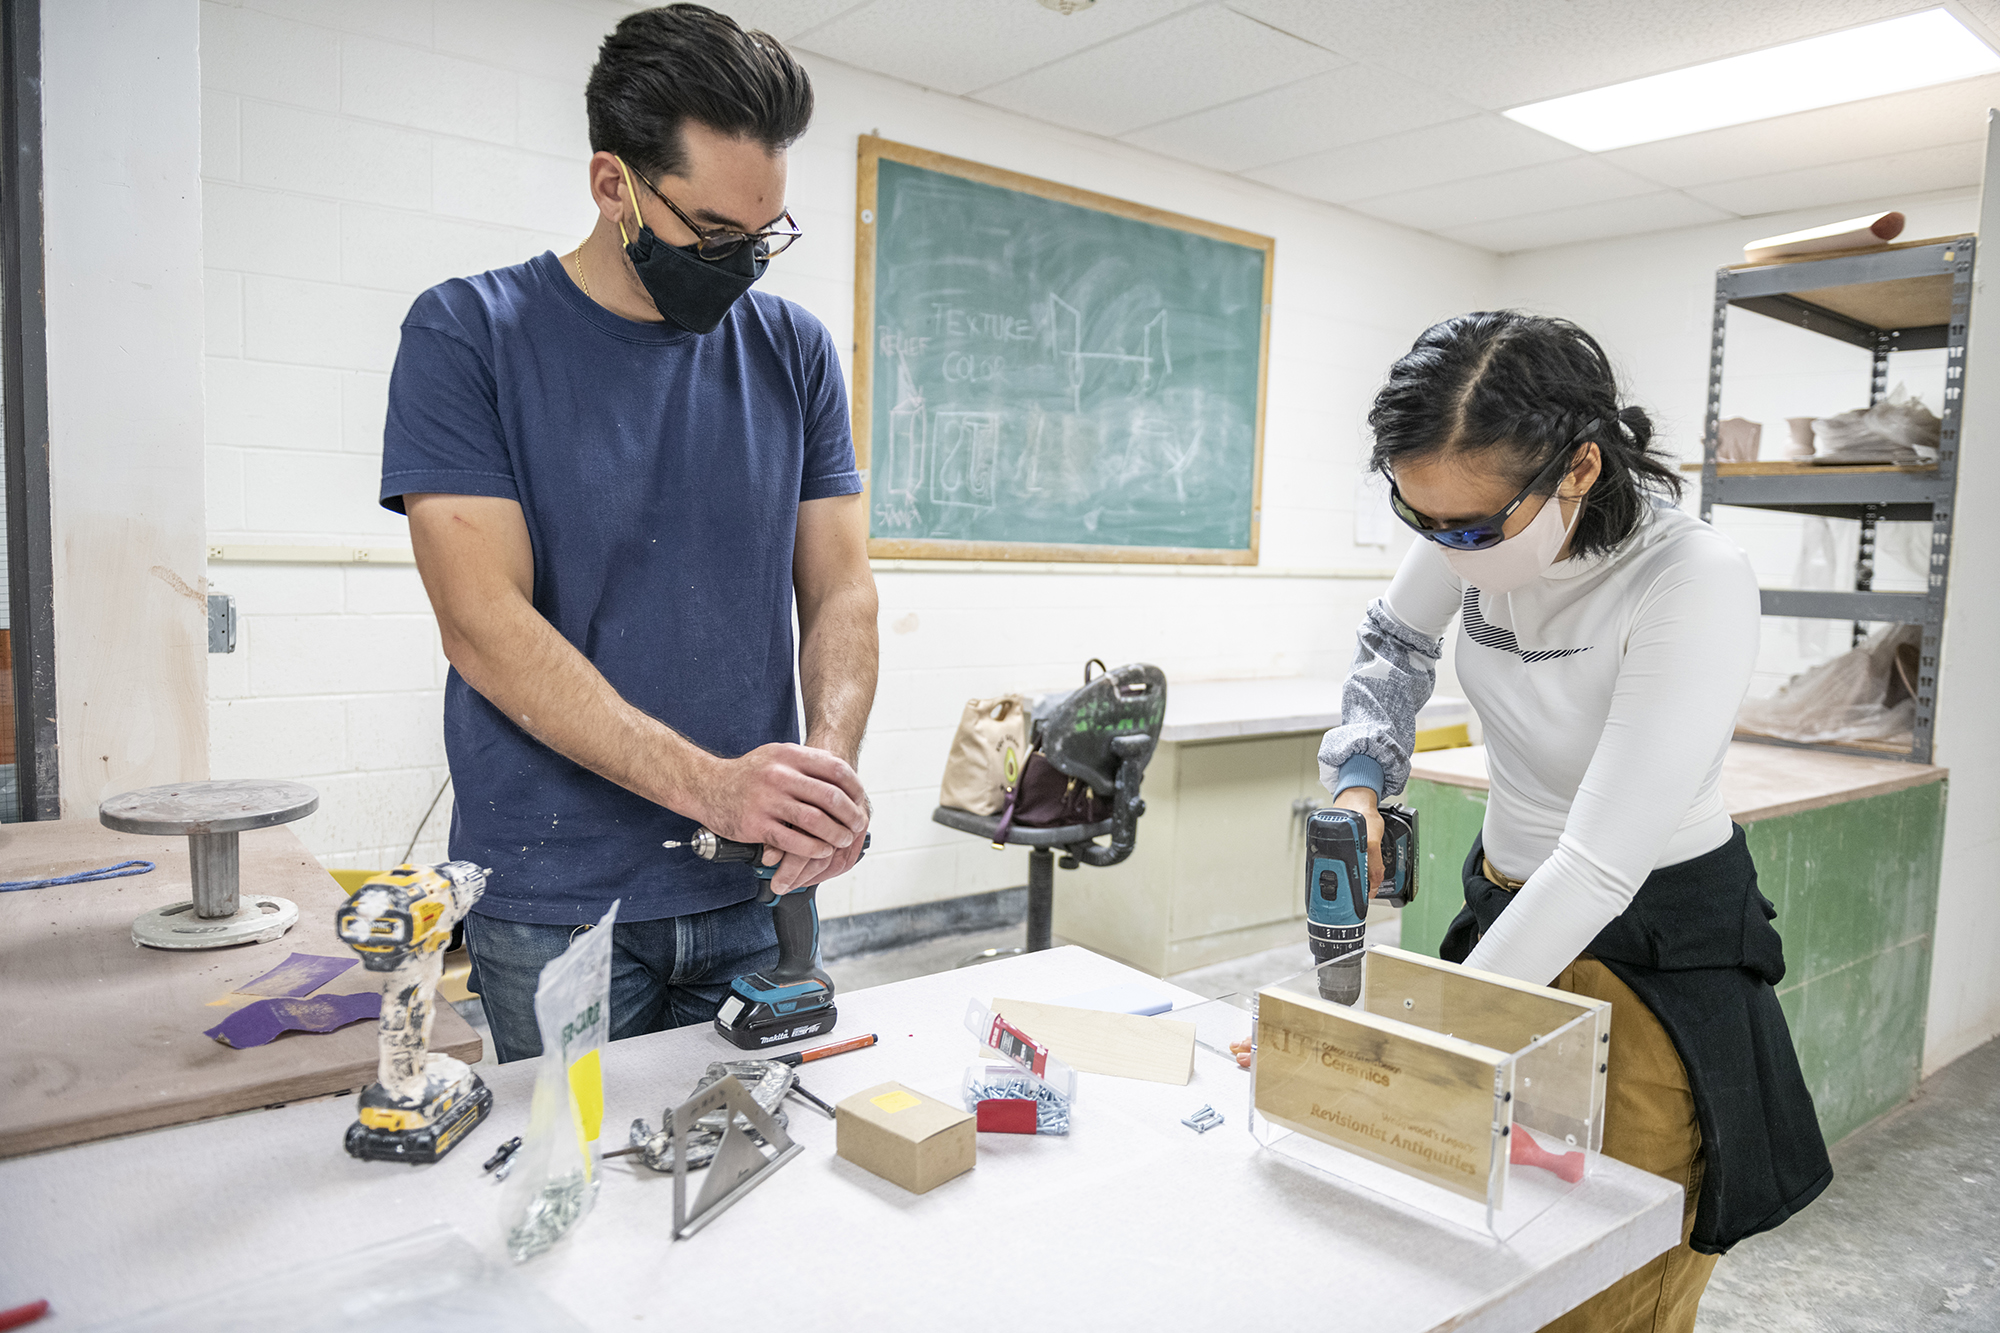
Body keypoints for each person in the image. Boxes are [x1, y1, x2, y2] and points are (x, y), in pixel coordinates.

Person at [378, 5, 877, 1063]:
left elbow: (840, 590)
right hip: (560, 901)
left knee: (757, 1176)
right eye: (713, 238)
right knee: (573, 1190)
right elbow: (480, 624)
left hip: (754, 890)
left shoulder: (793, 351)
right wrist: (715, 788)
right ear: (615, 186)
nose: (744, 267)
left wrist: (819, 785)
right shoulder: (466, 336)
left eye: (764, 238)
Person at [1318, 312, 1830, 1333]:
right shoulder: (1460, 525)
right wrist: (1360, 778)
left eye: (1469, 531)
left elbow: (1597, 865)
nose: (1445, 553)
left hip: (1649, 944)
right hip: (1504, 913)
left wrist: (1422, 1036)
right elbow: (1391, 643)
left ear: (1578, 467)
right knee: (1488, 1244)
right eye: (1420, 521)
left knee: (1606, 1278)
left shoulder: (1691, 579)